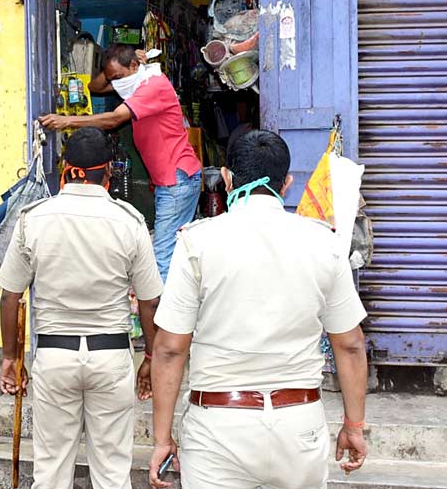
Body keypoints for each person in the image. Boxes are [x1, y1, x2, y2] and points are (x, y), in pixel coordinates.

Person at [147, 130, 369, 489]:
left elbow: (170, 348)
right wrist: (354, 426)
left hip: (218, 428)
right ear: (287, 184)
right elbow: (351, 345)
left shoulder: (197, 242)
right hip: (299, 426)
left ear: (227, 177)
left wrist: (161, 440)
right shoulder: (323, 242)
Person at [0, 127, 165, 489]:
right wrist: (150, 358)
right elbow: (151, 301)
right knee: (111, 473)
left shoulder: (34, 218)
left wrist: (11, 358)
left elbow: (10, 295)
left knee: (52, 470)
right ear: (107, 173)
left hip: (55, 358)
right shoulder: (130, 222)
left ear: (66, 168)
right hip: (110, 357)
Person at [39, 44, 203, 282]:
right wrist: (111, 72)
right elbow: (94, 87)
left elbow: (115, 119)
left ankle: (162, 318)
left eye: (118, 77)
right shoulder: (136, 83)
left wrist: (67, 121)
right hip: (170, 180)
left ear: (135, 66)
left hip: (176, 179)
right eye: (112, 78)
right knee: (169, 251)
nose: (115, 83)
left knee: (162, 257)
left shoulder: (152, 86)